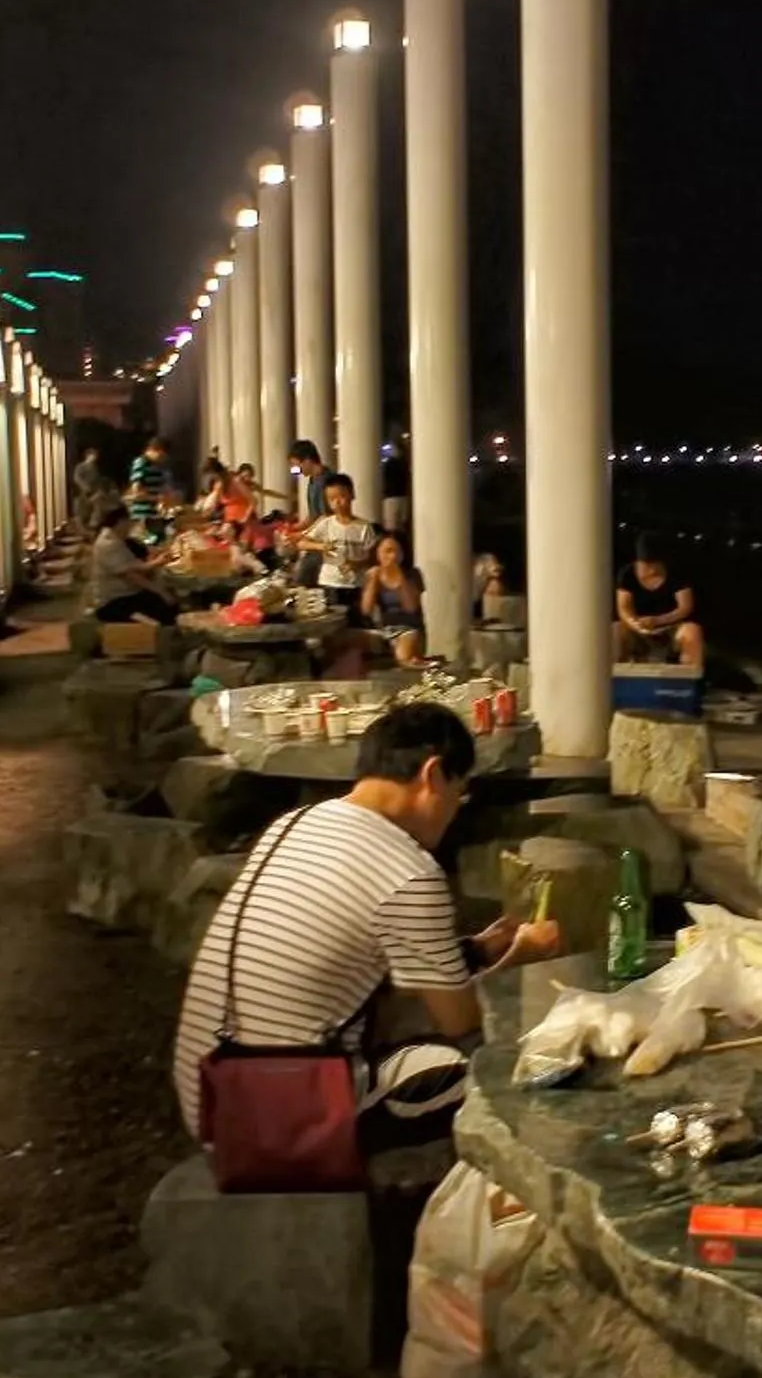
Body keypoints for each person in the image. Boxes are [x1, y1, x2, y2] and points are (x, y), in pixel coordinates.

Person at [170, 705, 566, 1150]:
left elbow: (363, 951)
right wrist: (523, 955)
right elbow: (460, 1018)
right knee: (490, 1069)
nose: (456, 810)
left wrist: (482, 948)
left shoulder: (295, 823)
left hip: (206, 1085)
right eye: (460, 794)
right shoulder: (409, 872)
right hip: (270, 1115)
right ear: (433, 775)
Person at [614, 534, 703, 667]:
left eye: (655, 564)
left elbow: (685, 607)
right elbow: (623, 608)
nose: (651, 569)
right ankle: (613, 679)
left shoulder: (676, 572)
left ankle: (688, 682)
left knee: (693, 631)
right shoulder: (627, 574)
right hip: (638, 628)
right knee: (615, 630)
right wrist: (635, 624)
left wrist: (658, 620)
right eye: (646, 564)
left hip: (671, 627)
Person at [294, 473, 375, 606]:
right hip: (330, 581)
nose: (337, 502)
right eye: (331, 499)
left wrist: (356, 564)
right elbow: (301, 543)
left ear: (352, 495)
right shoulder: (326, 524)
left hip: (356, 584)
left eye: (341, 496)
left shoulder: (364, 527)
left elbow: (372, 557)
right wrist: (321, 547)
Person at [86, 506, 175, 625]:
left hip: (127, 594)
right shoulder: (108, 543)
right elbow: (131, 576)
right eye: (129, 522)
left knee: (167, 603)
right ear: (121, 522)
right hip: (112, 602)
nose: (130, 525)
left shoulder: (116, 537)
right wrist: (160, 591)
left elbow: (137, 562)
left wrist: (157, 557)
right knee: (164, 610)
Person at [361, 531, 429, 665]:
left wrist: (400, 579)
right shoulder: (373, 574)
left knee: (403, 656)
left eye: (397, 552)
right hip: (384, 630)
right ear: (378, 553)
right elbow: (366, 610)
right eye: (388, 551)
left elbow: (411, 607)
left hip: (411, 629)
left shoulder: (413, 574)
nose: (393, 556)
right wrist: (374, 580)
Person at [288, 439, 328, 523]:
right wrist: (294, 528)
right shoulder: (313, 480)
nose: (294, 470)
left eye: (295, 465)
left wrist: (302, 534)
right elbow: (313, 515)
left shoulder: (326, 481)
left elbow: (325, 518)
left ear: (307, 461)